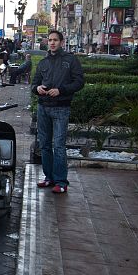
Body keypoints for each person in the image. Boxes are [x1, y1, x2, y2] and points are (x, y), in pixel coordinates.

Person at [32, 30, 84, 193]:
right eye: (50, 40)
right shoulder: (43, 62)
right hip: (43, 107)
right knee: (45, 145)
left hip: (61, 108)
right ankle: (49, 178)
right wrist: (37, 88)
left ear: (62, 42)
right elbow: (34, 84)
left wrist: (61, 90)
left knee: (59, 146)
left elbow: (79, 82)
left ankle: (61, 182)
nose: (52, 43)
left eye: (55, 40)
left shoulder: (70, 60)